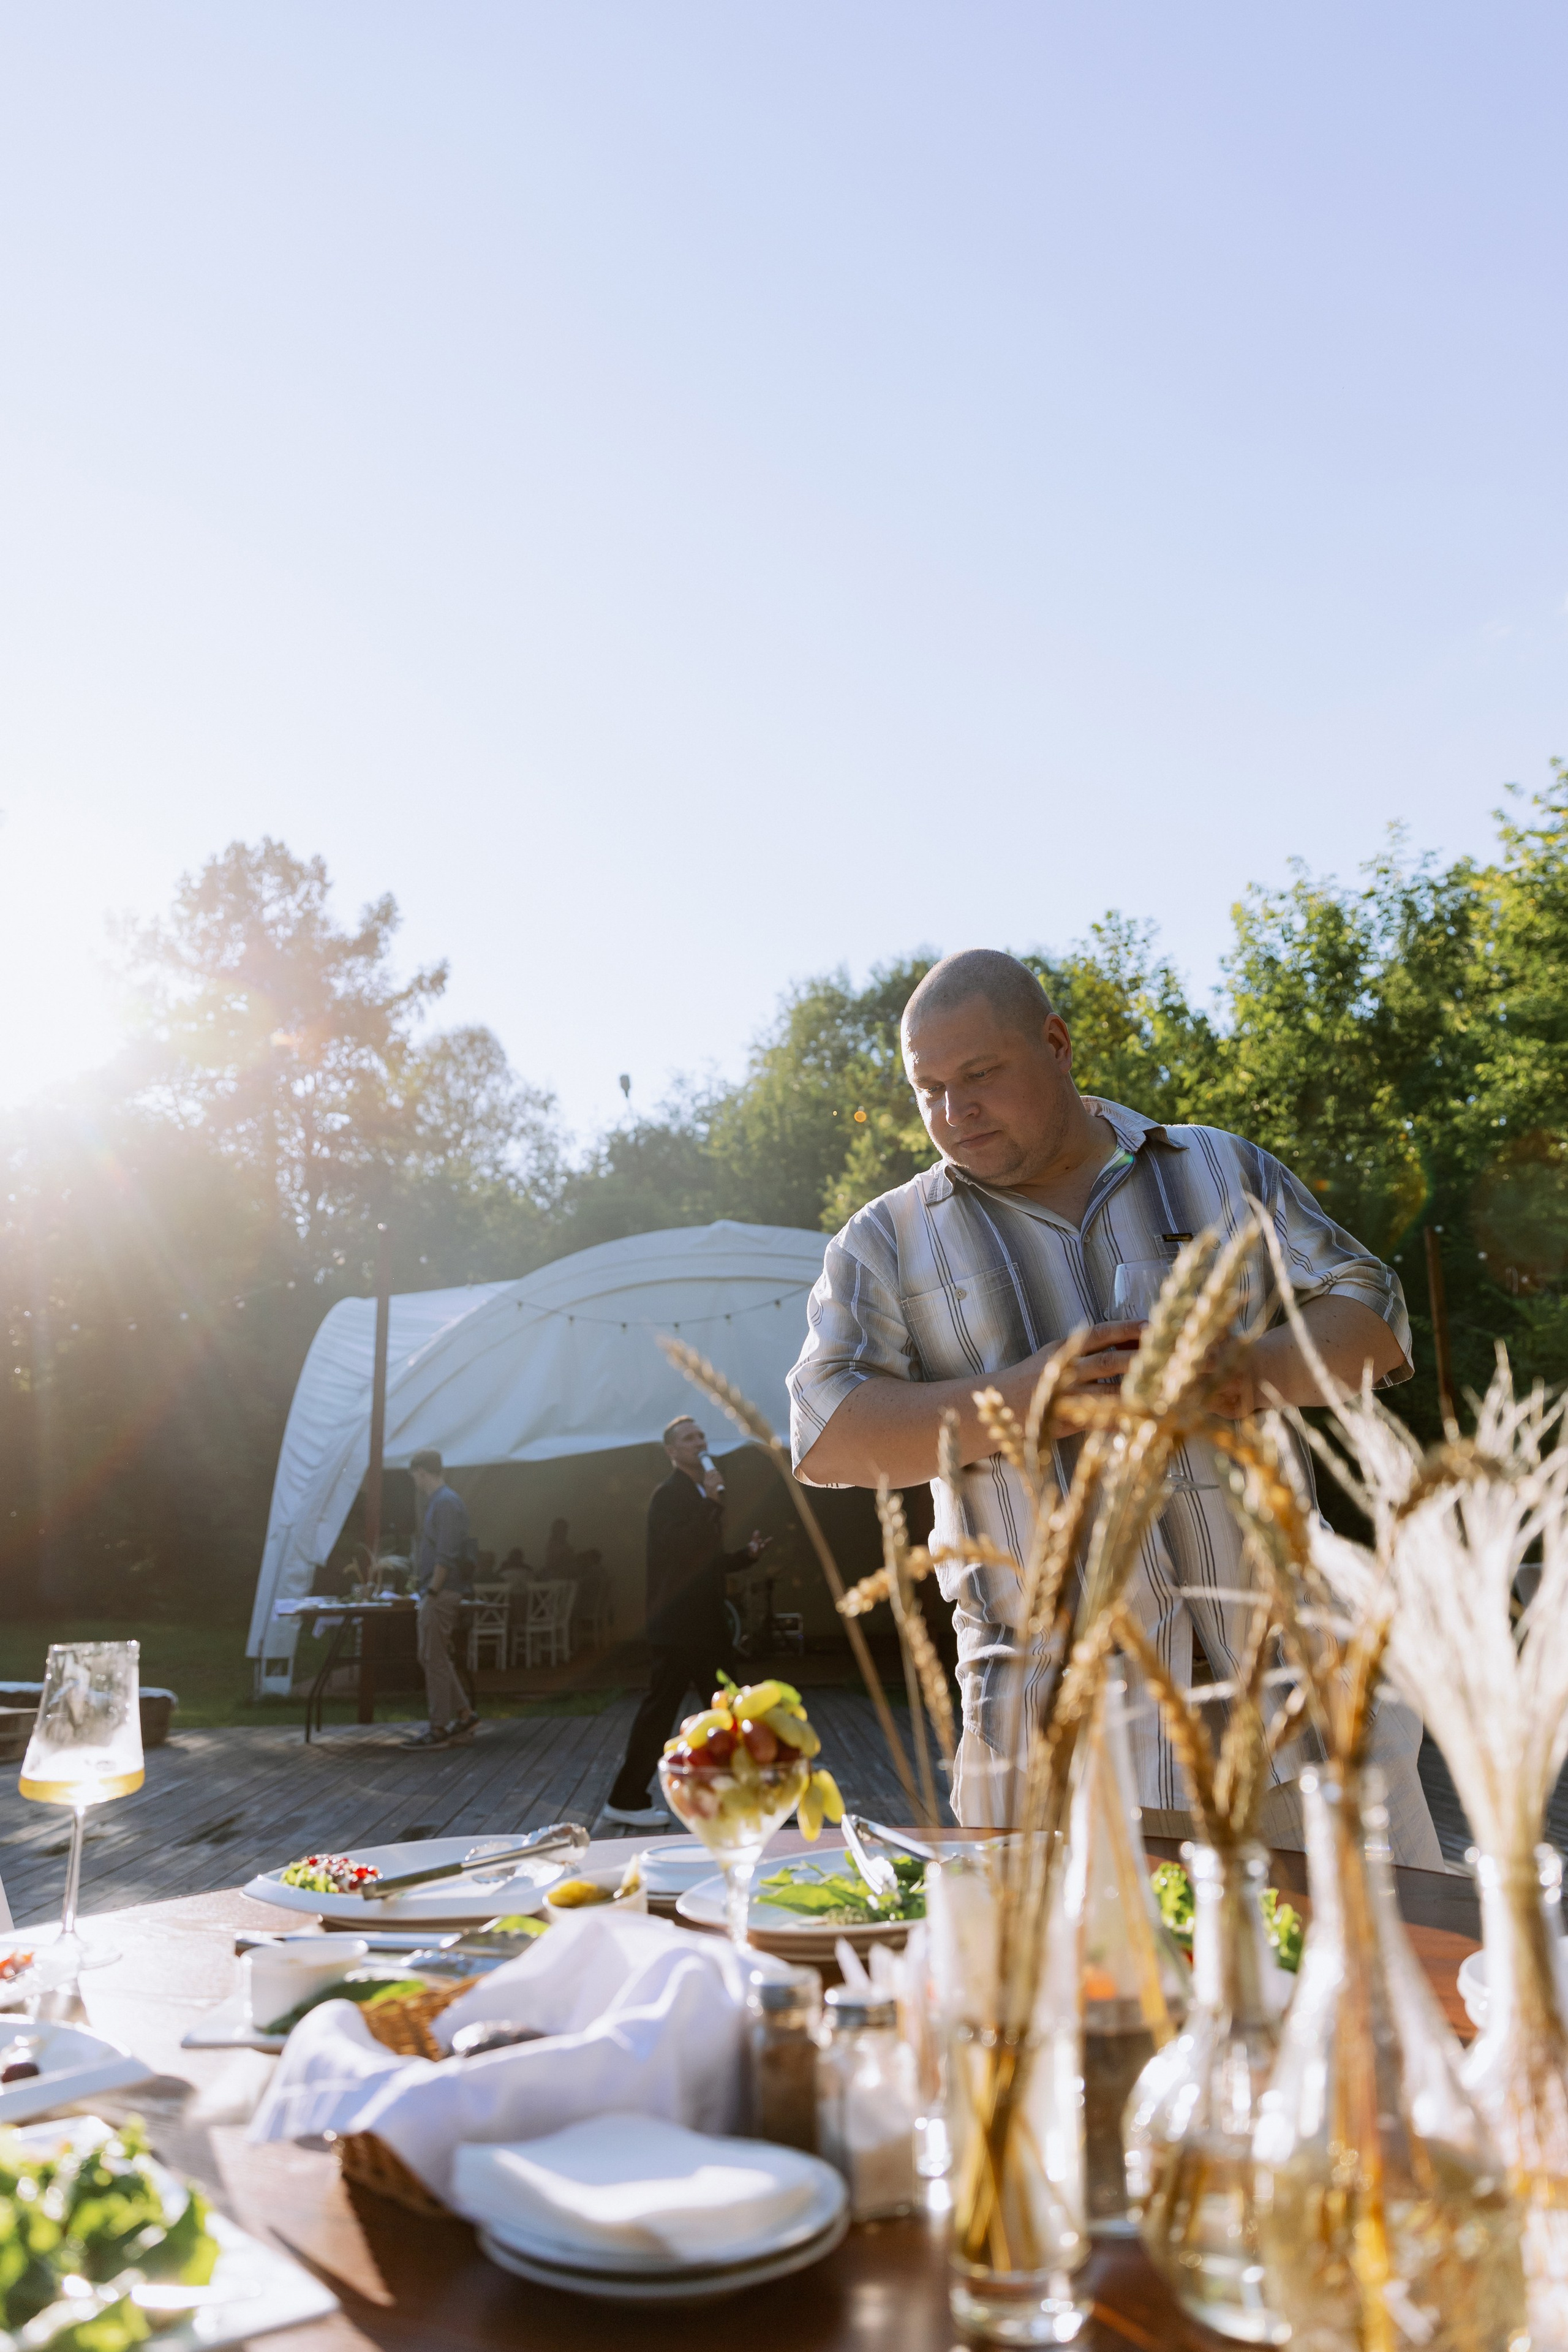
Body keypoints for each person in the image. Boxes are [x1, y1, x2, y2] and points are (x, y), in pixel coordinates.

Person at [788, 947, 1441, 1865]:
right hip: (1060, 1752)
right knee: (1097, 2011)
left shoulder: (1220, 1168)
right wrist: (1020, 1401)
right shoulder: (884, 1241)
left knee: (1377, 1996)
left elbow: (1374, 1314)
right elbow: (825, 1437)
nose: (953, 1111)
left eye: (980, 1075)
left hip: (1302, 1719)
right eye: (927, 1088)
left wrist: (1245, 1373)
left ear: (1054, 1043)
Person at [597, 1416, 772, 1829]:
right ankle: (626, 1798)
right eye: (688, 1438)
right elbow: (679, 1551)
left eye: (701, 1435)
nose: (699, 1442)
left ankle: (743, 1796)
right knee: (677, 1711)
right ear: (671, 1452)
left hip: (701, 1625)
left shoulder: (696, 1493)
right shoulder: (668, 1496)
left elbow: (703, 1563)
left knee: (726, 1707)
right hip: (679, 1628)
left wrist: (744, 1556)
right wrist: (712, 1504)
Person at [407, 1449, 478, 1750]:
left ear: (422, 1472)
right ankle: (464, 1715)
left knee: (434, 1658)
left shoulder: (446, 1503)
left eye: (414, 1476)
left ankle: (438, 1729)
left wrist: (432, 1593)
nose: (414, 1482)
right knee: (431, 1656)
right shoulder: (439, 1502)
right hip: (435, 1591)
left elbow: (446, 1555)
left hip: (441, 1592)